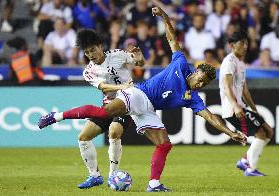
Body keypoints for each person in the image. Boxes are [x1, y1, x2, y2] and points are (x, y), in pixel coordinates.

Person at [38, 7, 246, 192]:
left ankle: (153, 184)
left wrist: (231, 132)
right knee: (104, 114)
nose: (200, 85)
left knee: (164, 145)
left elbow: (210, 116)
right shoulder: (181, 63)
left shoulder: (192, 98)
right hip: (137, 94)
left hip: (147, 109)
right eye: (200, 79)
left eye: (204, 84)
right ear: (196, 71)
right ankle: (57, 116)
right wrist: (164, 16)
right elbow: (172, 39)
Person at [47, 28, 145, 189]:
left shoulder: (118, 54)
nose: (91, 55)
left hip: (127, 103)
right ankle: (94, 175)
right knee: (83, 136)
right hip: (108, 106)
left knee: (114, 131)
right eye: (87, 53)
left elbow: (139, 63)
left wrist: (140, 58)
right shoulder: (88, 71)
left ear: (100, 46)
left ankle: (113, 175)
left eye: (93, 50)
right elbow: (104, 87)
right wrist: (122, 85)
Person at [219, 30, 274, 176]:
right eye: (242, 43)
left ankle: (245, 161)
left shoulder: (241, 63)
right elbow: (227, 86)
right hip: (232, 109)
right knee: (261, 134)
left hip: (241, 106)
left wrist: (253, 108)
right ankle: (250, 169)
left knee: (269, 131)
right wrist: (236, 105)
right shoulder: (229, 62)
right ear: (232, 45)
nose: (245, 46)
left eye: (246, 43)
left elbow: (244, 90)